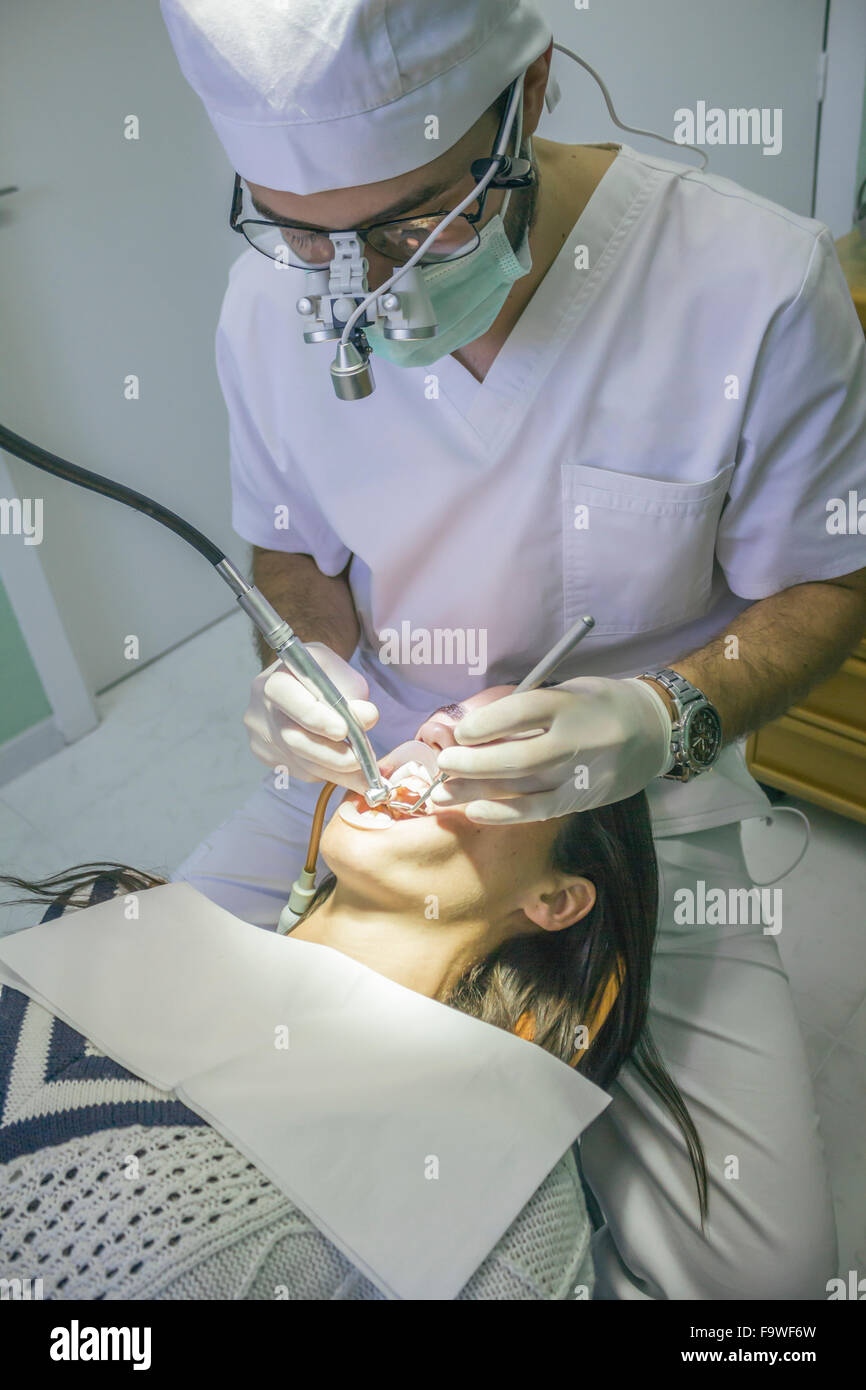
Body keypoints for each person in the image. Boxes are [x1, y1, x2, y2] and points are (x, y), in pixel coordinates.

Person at [159, 0, 866, 1297]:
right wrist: (301, 664)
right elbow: (289, 553)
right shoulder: (265, 302)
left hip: (642, 802)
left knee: (765, 1281)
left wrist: (666, 717)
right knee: (130, 1034)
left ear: (528, 96)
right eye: (306, 234)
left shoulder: (754, 287)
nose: (357, 282)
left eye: (411, 218)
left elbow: (829, 581)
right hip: (370, 760)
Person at [0, 701, 703, 1299]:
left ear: (555, 899)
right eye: (441, 729)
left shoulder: (505, 1201)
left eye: (503, 759)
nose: (436, 749)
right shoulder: (119, 917)